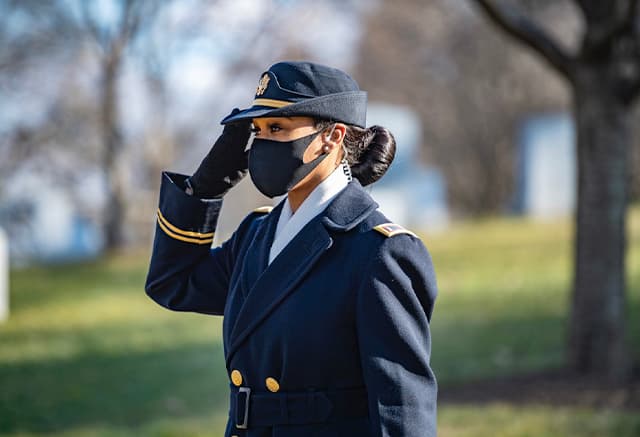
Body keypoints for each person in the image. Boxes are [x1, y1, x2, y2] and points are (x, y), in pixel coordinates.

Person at [145, 61, 438, 437]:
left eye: (278, 128)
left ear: (333, 136)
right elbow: (173, 283)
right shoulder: (256, 234)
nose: (262, 143)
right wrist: (204, 189)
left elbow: (400, 409)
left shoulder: (379, 250)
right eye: (258, 130)